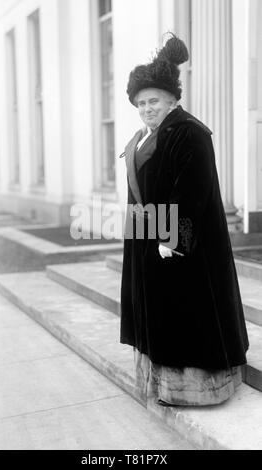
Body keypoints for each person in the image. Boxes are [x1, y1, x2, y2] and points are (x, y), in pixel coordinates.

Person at [119, 33, 249, 407]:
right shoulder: (143, 137)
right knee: (159, 318)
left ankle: (194, 391)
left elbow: (192, 190)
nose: (147, 108)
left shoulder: (189, 133)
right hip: (148, 241)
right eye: (141, 102)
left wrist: (171, 239)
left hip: (181, 248)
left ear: (173, 100)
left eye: (154, 101)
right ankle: (160, 385)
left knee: (184, 317)